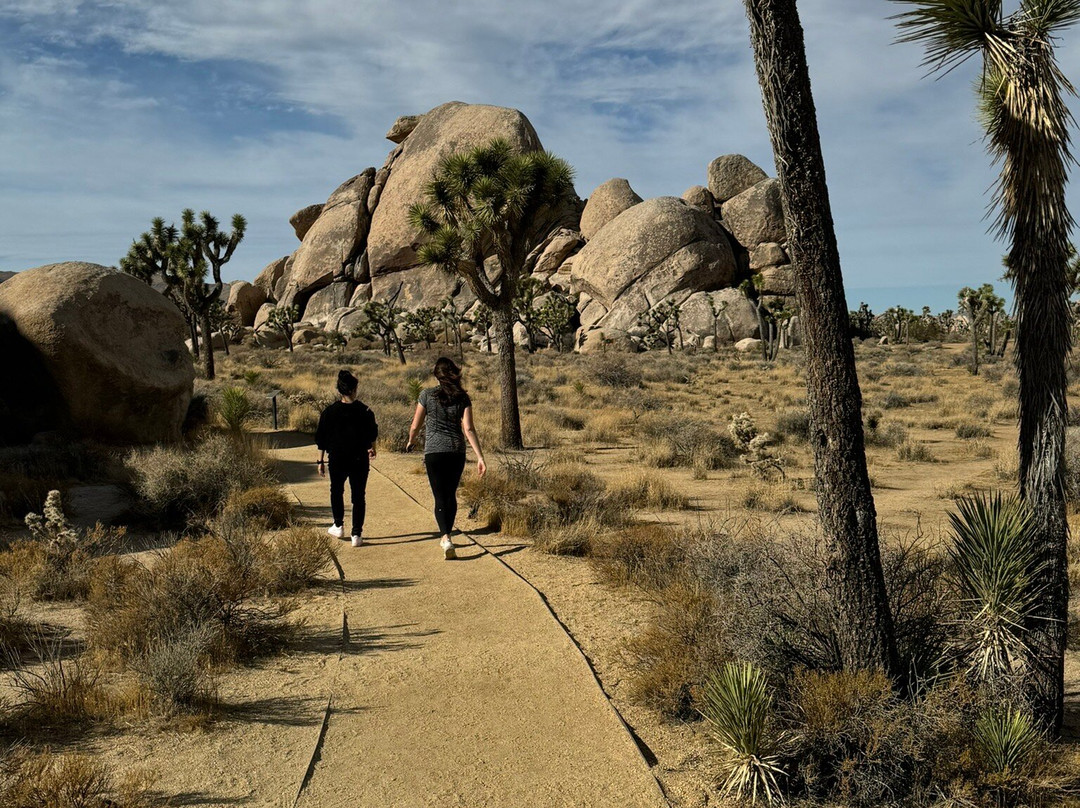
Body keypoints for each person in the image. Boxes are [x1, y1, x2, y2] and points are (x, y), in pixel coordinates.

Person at [406, 357, 486, 559]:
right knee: (451, 494)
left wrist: (411, 441)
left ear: (436, 376)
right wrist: (480, 456)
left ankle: (446, 537)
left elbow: (416, 425)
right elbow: (468, 428)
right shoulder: (463, 398)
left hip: (434, 451)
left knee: (439, 496)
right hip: (456, 451)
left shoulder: (426, 395)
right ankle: (447, 535)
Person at [316, 370, 378, 548]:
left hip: (337, 458)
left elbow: (321, 439)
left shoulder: (329, 412)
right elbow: (372, 433)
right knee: (358, 496)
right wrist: (372, 448)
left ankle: (338, 524)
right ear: (354, 389)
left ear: (339, 390)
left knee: (336, 491)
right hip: (359, 459)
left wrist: (320, 462)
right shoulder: (365, 411)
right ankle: (356, 534)